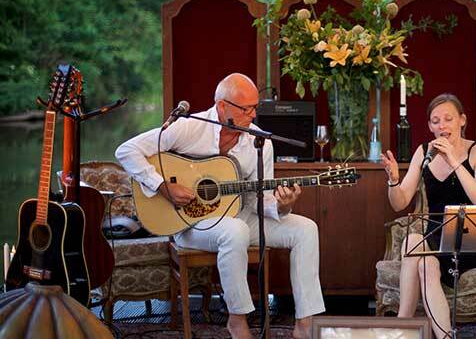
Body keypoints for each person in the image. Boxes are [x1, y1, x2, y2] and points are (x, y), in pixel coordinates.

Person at [115, 73, 324, 339]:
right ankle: (237, 320)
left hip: (240, 214)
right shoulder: (189, 127)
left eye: (255, 107)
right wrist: (162, 187)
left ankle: (304, 325)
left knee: (306, 229)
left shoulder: (260, 142)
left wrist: (282, 206)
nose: (252, 115)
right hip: (189, 221)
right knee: (234, 231)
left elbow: (259, 199)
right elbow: (125, 151)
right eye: (245, 108)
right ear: (222, 106)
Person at [380, 93, 476, 338]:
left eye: (448, 119)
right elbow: (400, 202)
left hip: (469, 239)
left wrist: (454, 160)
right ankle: (438, 334)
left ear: (462, 121)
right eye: (435, 121)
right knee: (420, 253)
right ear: (430, 126)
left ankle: (402, 329)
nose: (442, 126)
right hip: (434, 238)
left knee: (417, 248)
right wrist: (393, 180)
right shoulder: (423, 153)